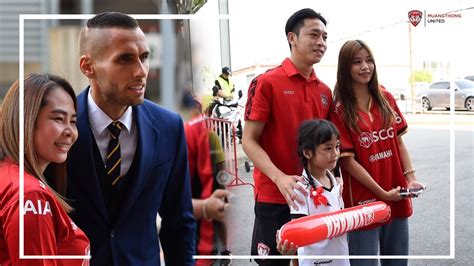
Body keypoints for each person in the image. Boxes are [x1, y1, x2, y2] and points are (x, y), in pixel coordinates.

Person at [66, 12, 195, 265]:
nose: (141, 71)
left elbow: (179, 221)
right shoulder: (57, 128)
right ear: (87, 66)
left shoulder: (169, 127)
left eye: (145, 57)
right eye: (125, 59)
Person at [242, 8, 332, 265]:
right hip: (275, 196)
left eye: (325, 37)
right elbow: (249, 140)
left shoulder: (324, 91)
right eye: (314, 35)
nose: (321, 43)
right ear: (292, 37)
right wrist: (279, 177)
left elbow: (327, 148)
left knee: (311, 261)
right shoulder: (267, 82)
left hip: (314, 198)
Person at [329, 39, 425, 266]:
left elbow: (398, 143)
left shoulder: (386, 98)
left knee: (398, 261)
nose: (365, 67)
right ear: (345, 67)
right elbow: (348, 163)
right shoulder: (339, 108)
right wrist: (382, 193)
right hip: (364, 202)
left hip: (397, 193)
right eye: (357, 62)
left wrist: (410, 178)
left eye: (369, 60)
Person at [0, 73, 90, 265]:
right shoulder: (31, 196)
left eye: (73, 121)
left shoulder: (10, 179)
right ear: (26, 121)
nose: (70, 132)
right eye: (58, 119)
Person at [276, 119, 349, 266]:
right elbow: (296, 236)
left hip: (341, 259)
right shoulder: (300, 189)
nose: (335, 153)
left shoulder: (335, 182)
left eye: (337, 147)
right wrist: (288, 248)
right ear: (308, 152)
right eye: (328, 148)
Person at [181, 92, 232, 265]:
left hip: (212, 184)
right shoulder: (180, 136)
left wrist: (223, 188)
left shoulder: (211, 136)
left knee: (217, 218)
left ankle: (225, 250)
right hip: (191, 187)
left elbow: (221, 165)